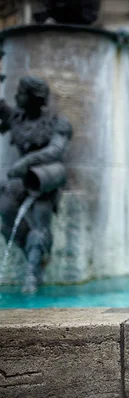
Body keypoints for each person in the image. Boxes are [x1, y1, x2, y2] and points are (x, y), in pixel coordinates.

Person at [0, 76, 72, 292]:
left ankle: (33, 272)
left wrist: (27, 161)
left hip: (44, 178)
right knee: (5, 219)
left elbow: (56, 150)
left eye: (21, 93)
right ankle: (32, 255)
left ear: (33, 98)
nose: (16, 96)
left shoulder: (56, 123)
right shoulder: (16, 118)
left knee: (40, 223)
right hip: (20, 179)